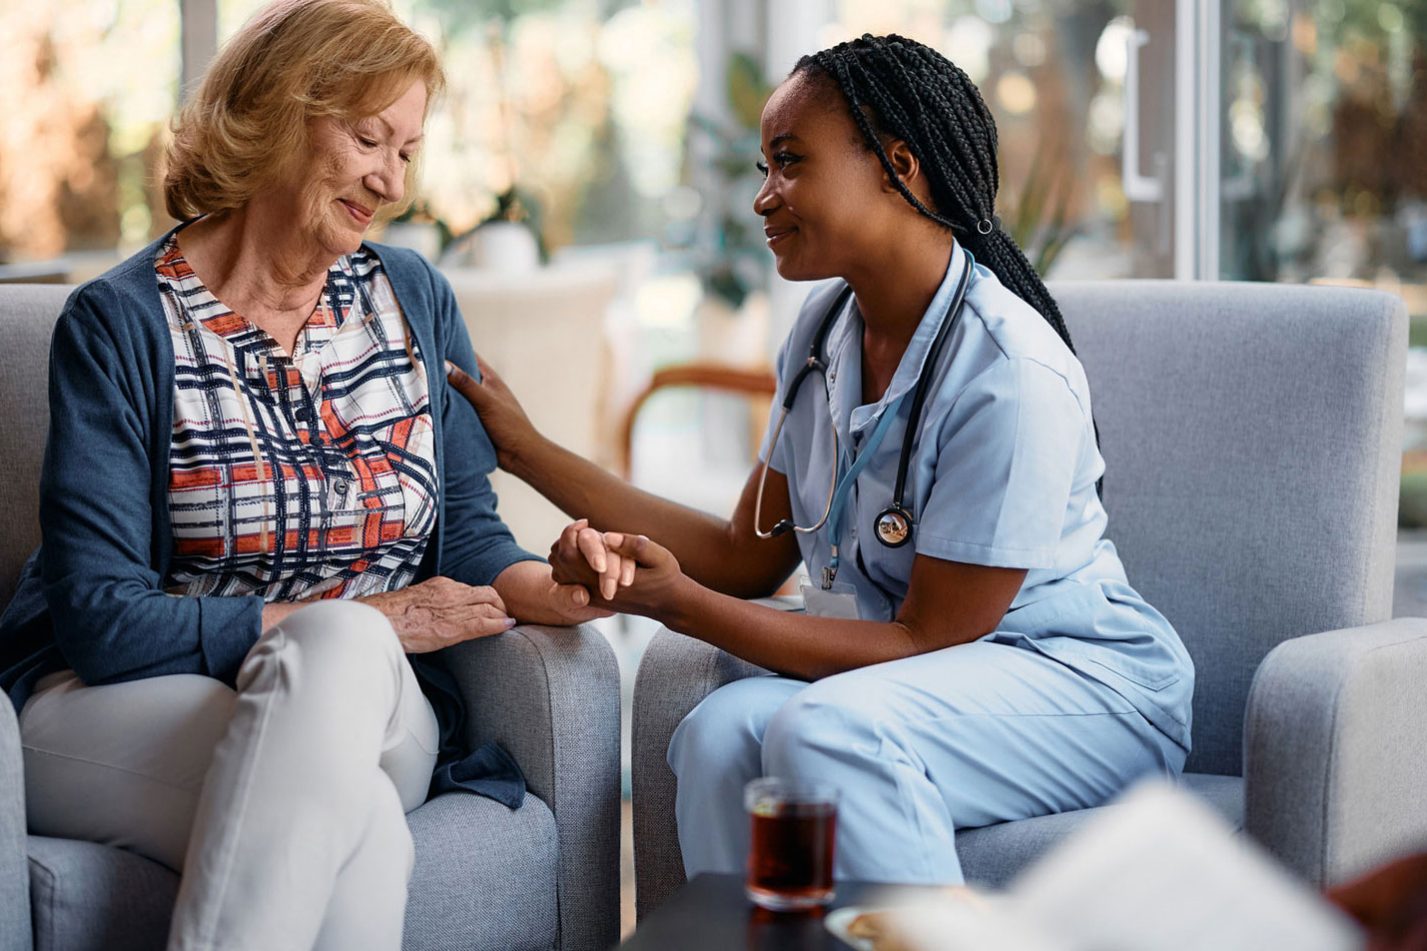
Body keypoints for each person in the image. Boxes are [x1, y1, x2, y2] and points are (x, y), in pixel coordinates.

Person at [447, 33, 1195, 886]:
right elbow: (742, 553)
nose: (763, 197)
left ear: (897, 166)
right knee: (717, 731)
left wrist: (676, 604)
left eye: (789, 162)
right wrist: (523, 448)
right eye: (765, 166)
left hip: (1081, 690)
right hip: (924, 682)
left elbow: (926, 637)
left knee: (825, 728)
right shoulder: (822, 334)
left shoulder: (1008, 371)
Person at [0, 1, 605, 947]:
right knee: (352, 820)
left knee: (344, 656)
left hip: (374, 703)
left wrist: (549, 589)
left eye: (407, 150)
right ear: (282, 109)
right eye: (369, 137)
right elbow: (102, 621)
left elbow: (465, 526)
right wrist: (361, 618)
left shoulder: (413, 300)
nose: (390, 179)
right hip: (123, 702)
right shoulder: (119, 324)